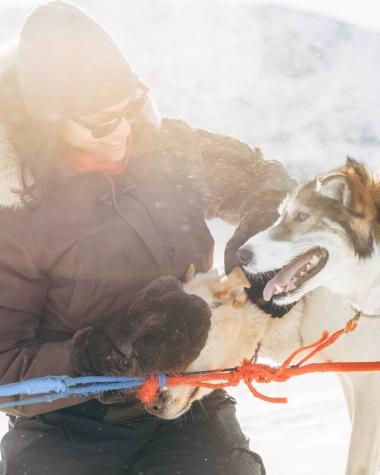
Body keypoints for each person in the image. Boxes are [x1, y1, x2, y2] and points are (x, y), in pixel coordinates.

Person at [0, 2, 295, 474]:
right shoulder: (12, 213)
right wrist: (112, 355)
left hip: (188, 404)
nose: (120, 132)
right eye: (98, 122)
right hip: (65, 428)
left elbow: (264, 179)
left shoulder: (171, 151)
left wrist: (266, 235)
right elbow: (6, 369)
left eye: (129, 109)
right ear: (48, 122)